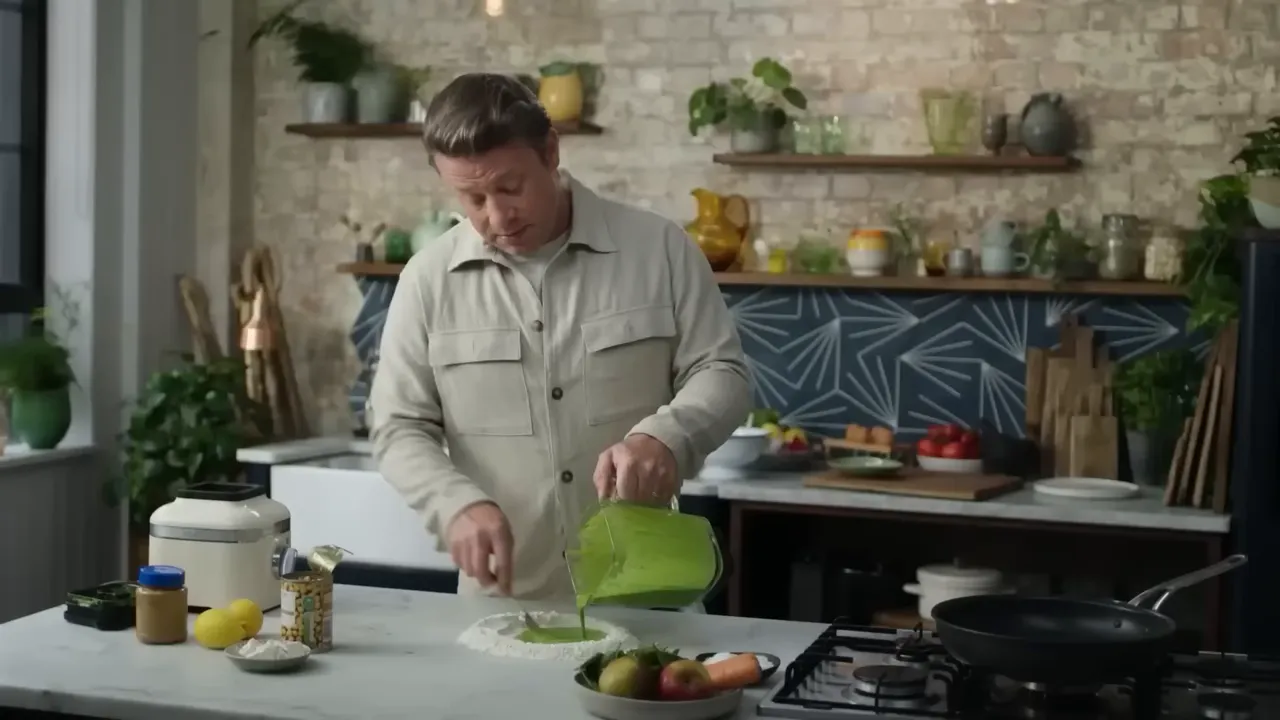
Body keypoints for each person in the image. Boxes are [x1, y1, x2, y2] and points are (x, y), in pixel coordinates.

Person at [369, 73, 752, 601]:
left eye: (509, 187)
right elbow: (398, 426)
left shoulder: (658, 248)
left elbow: (723, 374)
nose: (496, 216)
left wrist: (666, 435)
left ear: (550, 151)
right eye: (472, 197)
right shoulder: (427, 279)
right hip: (502, 609)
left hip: (647, 602)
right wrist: (454, 502)